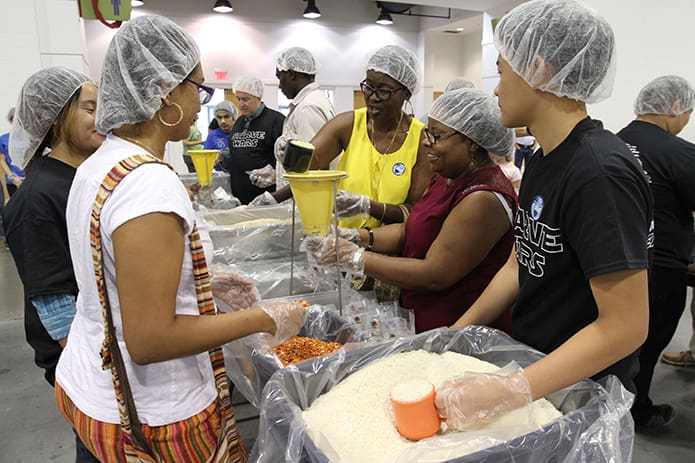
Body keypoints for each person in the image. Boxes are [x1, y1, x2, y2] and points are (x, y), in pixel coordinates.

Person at [54, 15, 306, 462]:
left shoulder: (99, 163)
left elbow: (114, 278)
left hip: (92, 385)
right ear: (166, 92)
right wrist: (266, 316)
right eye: (199, 88)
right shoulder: (148, 182)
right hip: (152, 410)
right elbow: (152, 339)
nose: (200, 103)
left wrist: (201, 281)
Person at [439, 0, 652, 432]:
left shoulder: (598, 174)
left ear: (536, 68)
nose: (496, 90)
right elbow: (522, 260)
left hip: (583, 395)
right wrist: (453, 334)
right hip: (539, 374)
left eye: (501, 71)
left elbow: (626, 326)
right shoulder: (543, 157)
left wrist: (508, 390)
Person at [304, 88, 517, 334]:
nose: (426, 141)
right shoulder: (446, 177)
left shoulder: (482, 197)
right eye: (427, 132)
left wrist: (357, 258)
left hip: (457, 328)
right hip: (422, 314)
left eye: (437, 136)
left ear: (470, 142)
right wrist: (357, 237)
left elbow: (435, 273)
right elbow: (414, 229)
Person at [2, 67, 103, 462]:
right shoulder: (39, 197)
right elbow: (55, 303)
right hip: (83, 362)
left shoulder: (79, 177)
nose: (103, 118)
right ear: (56, 117)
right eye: (90, 108)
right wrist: (99, 373)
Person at [262, 45, 430, 230]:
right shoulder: (348, 125)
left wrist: (368, 207)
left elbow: (413, 212)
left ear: (406, 92)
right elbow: (309, 164)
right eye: (368, 87)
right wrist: (290, 153)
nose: (373, 97)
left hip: (392, 250)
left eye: (384, 91)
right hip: (344, 244)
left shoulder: (420, 139)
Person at [617, 75, 695, 427]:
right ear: (676, 109)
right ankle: (635, 409)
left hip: (609, 263)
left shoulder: (611, 144)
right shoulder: (680, 154)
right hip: (660, 268)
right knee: (648, 345)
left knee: (616, 341)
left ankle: (610, 405)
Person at [247, 47, 336, 191]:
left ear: (291, 74)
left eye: (279, 77)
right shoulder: (307, 103)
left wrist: (274, 198)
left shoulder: (308, 107)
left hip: (307, 199)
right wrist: (277, 175)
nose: (280, 85)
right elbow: (300, 162)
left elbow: (313, 167)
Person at [222, 76, 284, 204]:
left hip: (266, 194)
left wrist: (272, 170)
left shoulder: (276, 120)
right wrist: (223, 156)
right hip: (240, 193)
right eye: (238, 99)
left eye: (245, 99)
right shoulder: (239, 122)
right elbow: (234, 149)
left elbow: (285, 155)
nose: (241, 104)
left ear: (258, 97)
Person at [1, 107, 25, 195]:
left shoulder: (29, 139)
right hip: (13, 181)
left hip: (29, 179)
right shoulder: (3, 139)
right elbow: (2, 160)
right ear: (11, 120)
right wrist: (12, 177)